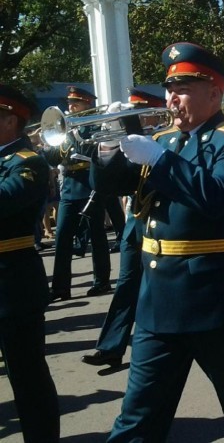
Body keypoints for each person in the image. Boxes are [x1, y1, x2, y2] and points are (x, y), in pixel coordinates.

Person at [93, 43, 224, 442]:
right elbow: (110, 187)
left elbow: (215, 198)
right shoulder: (164, 139)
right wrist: (106, 149)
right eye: (171, 88)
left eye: (185, 88)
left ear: (215, 92)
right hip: (157, 299)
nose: (173, 98)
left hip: (215, 300)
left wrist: (157, 159)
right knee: (137, 417)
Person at [81, 87, 166, 369]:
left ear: (152, 113)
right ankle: (110, 346)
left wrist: (132, 134)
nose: (131, 118)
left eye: (136, 112)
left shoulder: (164, 139)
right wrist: (107, 143)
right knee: (127, 285)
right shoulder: (131, 143)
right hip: (136, 223)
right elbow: (105, 185)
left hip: (165, 226)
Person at [0, 84, 60, 442]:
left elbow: (6, 200)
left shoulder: (29, 162)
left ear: (10, 120)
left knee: (27, 377)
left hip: (12, 283)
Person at [44, 86, 111, 300]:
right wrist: (48, 146)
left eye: (76, 104)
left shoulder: (94, 127)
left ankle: (101, 281)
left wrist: (75, 136)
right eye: (70, 104)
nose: (71, 107)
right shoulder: (64, 130)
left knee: (97, 235)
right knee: (62, 237)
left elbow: (93, 153)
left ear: (87, 105)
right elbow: (54, 159)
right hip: (70, 188)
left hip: (90, 184)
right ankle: (60, 287)